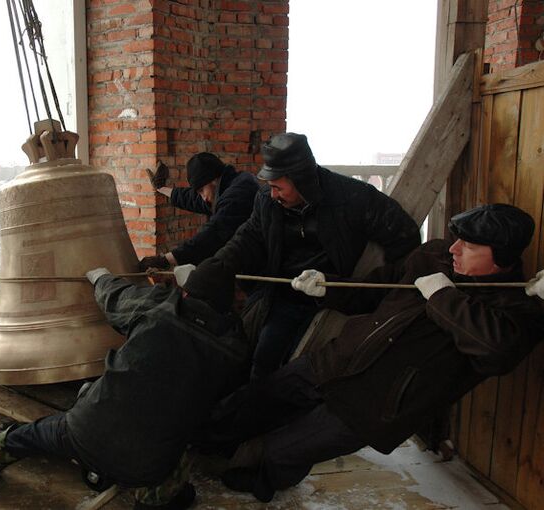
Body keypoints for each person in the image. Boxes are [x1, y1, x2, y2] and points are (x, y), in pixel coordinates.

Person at [215, 203, 544, 503]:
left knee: (286, 450)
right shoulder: (435, 256)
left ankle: (260, 479)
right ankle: (206, 438)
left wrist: (444, 298)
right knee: (257, 399)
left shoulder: (514, 311)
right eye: (456, 239)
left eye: (469, 247)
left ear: (501, 257)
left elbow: (496, 350)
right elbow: (379, 288)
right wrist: (327, 287)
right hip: (339, 359)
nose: (454, 249)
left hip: (375, 404)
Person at [0, 259, 249, 510]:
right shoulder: (233, 353)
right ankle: (150, 498)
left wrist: (99, 277)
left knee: (24, 436)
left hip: (84, 430)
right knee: (181, 490)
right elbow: (221, 410)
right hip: (147, 462)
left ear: (185, 291)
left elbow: (116, 295)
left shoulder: (158, 307)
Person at [209, 132, 421, 379]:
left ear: (301, 179)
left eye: (278, 186)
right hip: (286, 300)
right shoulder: (267, 202)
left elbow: (404, 235)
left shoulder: (352, 198)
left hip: (335, 301)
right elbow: (247, 238)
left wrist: (381, 291)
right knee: (261, 366)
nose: (273, 194)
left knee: (318, 373)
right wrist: (213, 268)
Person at [138, 153, 259, 270]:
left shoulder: (238, 194)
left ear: (214, 180)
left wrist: (165, 260)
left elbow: (213, 233)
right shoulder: (226, 184)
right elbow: (192, 198)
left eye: (202, 190)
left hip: (261, 269)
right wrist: (161, 188)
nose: (204, 197)